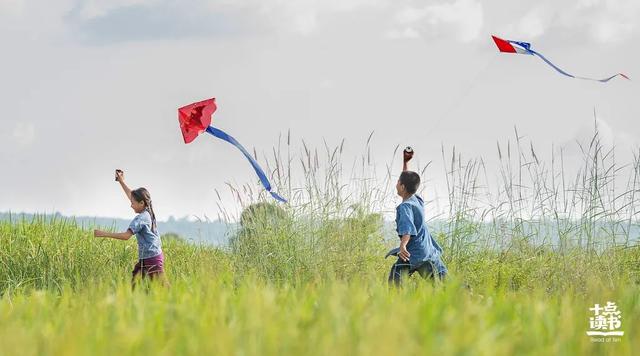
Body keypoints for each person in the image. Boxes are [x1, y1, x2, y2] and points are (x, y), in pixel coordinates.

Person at [94, 170, 165, 288]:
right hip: (148, 257)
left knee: (163, 289)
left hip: (152, 260)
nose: (130, 205)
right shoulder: (148, 210)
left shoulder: (141, 218)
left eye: (132, 203)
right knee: (135, 284)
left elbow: (126, 236)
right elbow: (131, 195)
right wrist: (121, 181)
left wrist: (102, 233)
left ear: (141, 203)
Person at [388, 148, 447, 286]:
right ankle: (469, 296)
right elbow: (406, 178)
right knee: (445, 282)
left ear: (402, 187)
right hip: (428, 251)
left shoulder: (405, 207)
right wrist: (406, 162)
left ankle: (394, 304)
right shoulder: (416, 199)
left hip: (412, 253)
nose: (396, 183)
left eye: (398, 181)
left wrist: (402, 245)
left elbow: (408, 229)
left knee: (395, 279)